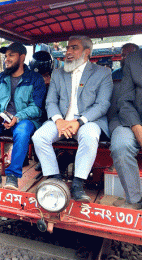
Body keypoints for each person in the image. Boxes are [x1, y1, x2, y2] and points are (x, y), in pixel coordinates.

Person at [32, 35, 113, 202]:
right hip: (60, 121)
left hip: (88, 121)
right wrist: (59, 121)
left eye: (74, 47)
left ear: (87, 52)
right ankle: (55, 179)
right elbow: (51, 101)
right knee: (38, 137)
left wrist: (79, 122)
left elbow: (102, 104)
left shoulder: (103, 73)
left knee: (90, 136)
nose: (68, 51)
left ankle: (78, 183)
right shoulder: (58, 73)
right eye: (67, 47)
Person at [0, 42, 46, 189]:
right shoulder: (0, 78)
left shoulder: (35, 78)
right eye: (6, 56)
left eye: (11, 55)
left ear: (22, 57)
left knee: (22, 130)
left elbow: (37, 108)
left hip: (24, 120)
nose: (6, 59)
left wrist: (17, 117)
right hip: (1, 119)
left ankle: (12, 175)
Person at [109, 48, 142, 209]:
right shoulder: (134, 60)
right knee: (121, 145)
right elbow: (124, 100)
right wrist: (136, 127)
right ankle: (134, 200)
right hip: (132, 118)